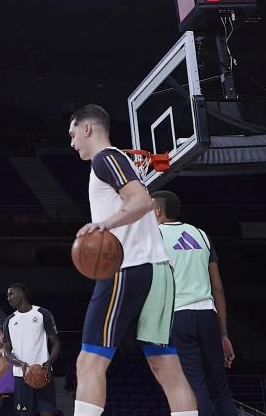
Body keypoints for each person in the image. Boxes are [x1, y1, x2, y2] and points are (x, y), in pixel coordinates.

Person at [68, 104, 197, 416]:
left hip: (126, 267)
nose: (72, 143)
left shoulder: (105, 157)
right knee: (165, 364)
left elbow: (141, 200)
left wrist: (104, 225)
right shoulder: (118, 159)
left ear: (88, 129)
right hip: (158, 270)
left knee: (89, 361)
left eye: (73, 135)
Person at [152, 190, 237, 416]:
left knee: (195, 385)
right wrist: (224, 334)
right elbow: (217, 286)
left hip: (178, 316)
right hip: (208, 315)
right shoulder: (201, 234)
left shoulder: (155, 235)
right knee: (221, 388)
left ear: (158, 210)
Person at [2, 283, 61, 416]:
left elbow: (56, 343)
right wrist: (20, 363)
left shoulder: (42, 313)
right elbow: (6, 352)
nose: (8, 298)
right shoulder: (9, 320)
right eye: (7, 295)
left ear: (22, 294)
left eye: (11, 294)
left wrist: (49, 363)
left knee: (48, 412)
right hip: (21, 375)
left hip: (43, 372)